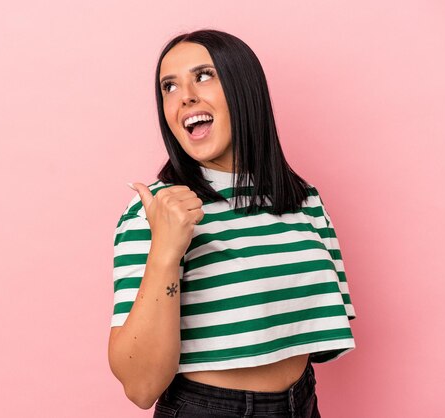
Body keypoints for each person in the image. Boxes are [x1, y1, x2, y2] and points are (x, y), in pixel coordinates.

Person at [107, 29, 356, 418]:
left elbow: (319, 340)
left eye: (203, 75)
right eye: (169, 86)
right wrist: (165, 251)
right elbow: (140, 387)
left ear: (244, 90)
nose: (185, 94)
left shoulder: (304, 199)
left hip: (302, 402)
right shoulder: (157, 211)